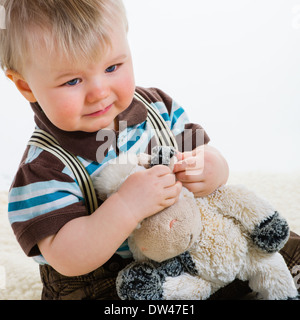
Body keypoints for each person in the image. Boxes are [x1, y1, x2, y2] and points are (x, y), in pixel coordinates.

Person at [0, 0, 298, 300]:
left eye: (112, 67)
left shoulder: (157, 107)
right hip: (106, 278)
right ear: (26, 85)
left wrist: (211, 167)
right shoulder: (44, 169)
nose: (99, 92)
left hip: (189, 244)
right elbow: (68, 258)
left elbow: (204, 152)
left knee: (269, 246)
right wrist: (127, 207)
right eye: (72, 81)